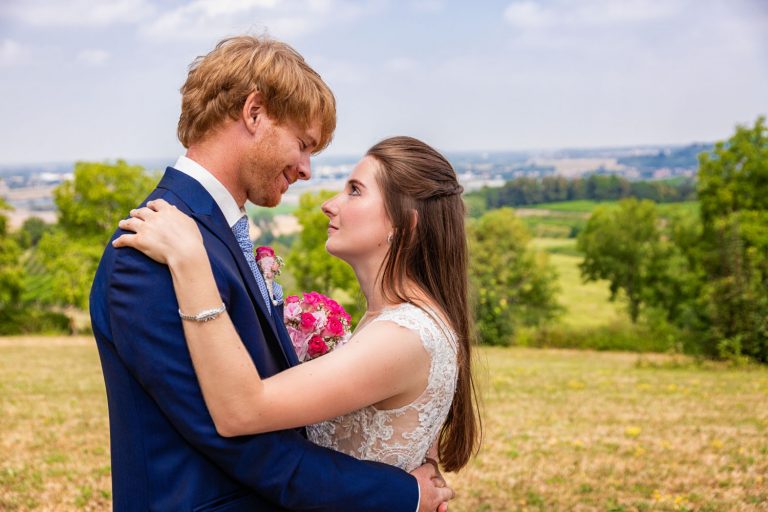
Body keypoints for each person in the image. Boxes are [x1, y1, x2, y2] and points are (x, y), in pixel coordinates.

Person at [89, 36, 454, 511]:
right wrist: (401, 494)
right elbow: (238, 440)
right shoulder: (147, 254)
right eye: (303, 144)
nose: (306, 170)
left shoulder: (209, 239)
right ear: (255, 113)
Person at [113, 135, 481, 477]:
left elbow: (242, 412)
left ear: (405, 225)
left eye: (355, 191)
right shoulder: (405, 323)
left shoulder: (403, 336)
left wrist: (191, 262)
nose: (329, 204)